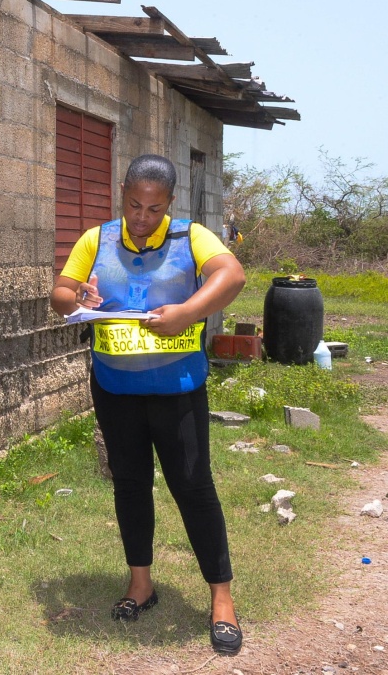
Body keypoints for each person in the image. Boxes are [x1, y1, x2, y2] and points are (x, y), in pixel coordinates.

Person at [50, 154, 247, 656]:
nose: (141, 218)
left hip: (177, 389)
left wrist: (188, 312)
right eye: (134, 205)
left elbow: (233, 275)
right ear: (122, 193)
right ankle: (141, 584)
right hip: (116, 388)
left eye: (154, 209)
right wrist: (79, 300)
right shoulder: (96, 239)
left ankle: (221, 599)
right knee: (131, 485)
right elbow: (61, 294)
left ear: (170, 204)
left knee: (193, 487)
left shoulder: (191, 236)